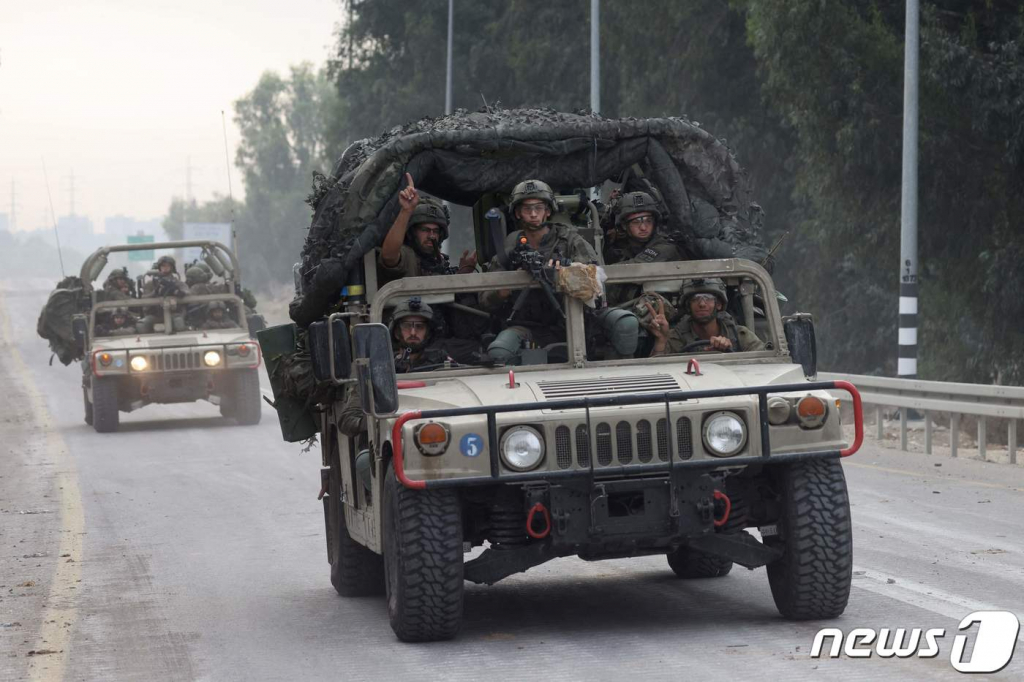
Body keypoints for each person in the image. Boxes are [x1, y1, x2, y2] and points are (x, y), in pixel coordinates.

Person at [481, 179, 601, 363]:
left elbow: (596, 280)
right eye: (527, 209)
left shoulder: (569, 240)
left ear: (548, 210)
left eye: (539, 207)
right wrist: (501, 293)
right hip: (525, 326)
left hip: (570, 321)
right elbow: (484, 299)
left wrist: (565, 275)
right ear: (518, 213)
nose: (533, 214)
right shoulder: (509, 248)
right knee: (499, 352)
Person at [378, 173, 476, 281]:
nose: (432, 236)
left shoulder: (438, 261)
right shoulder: (407, 257)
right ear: (412, 232)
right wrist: (406, 210)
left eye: (436, 231)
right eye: (425, 230)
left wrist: (461, 273)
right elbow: (389, 257)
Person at [644, 278, 765, 355]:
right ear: (688, 306)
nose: (702, 304)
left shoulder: (740, 335)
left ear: (718, 304)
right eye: (695, 299)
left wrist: (730, 353)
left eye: (708, 298)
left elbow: (764, 366)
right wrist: (661, 340)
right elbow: (659, 372)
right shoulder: (675, 338)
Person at [604, 191, 684, 305]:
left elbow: (637, 267)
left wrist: (598, 272)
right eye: (636, 222)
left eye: (648, 221)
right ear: (624, 226)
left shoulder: (666, 247)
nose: (643, 227)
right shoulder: (622, 248)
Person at [389, 298, 453, 373]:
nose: (413, 333)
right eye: (407, 326)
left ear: (428, 333)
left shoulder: (440, 360)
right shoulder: (384, 363)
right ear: (396, 333)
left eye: (419, 326)